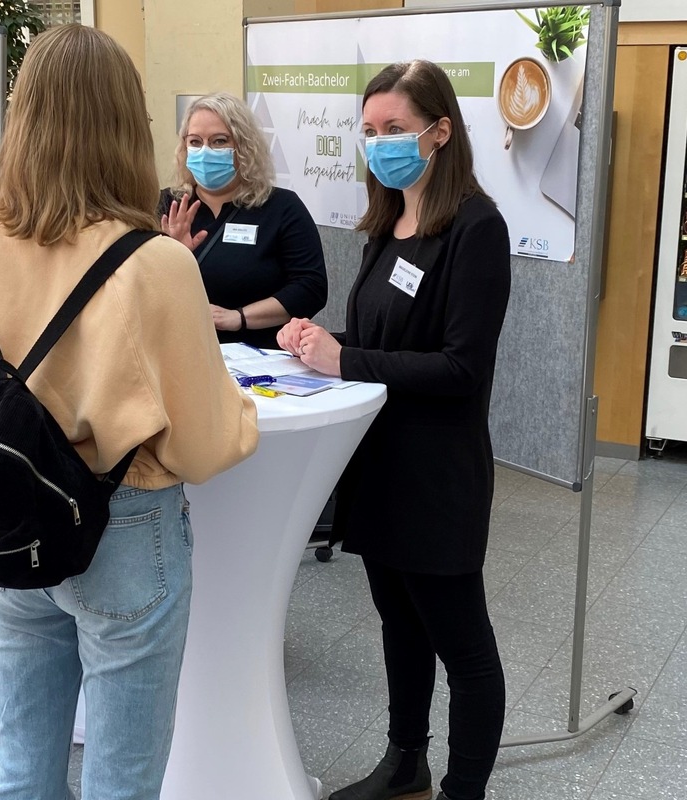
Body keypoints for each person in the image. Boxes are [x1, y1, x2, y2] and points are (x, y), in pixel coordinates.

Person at [0, 25, 258, 800]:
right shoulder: (156, 263)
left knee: (22, 771)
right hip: (128, 527)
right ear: (124, 128)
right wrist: (240, 410)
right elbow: (206, 446)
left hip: (11, 520)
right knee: (122, 782)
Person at [278, 60, 511, 800]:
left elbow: (460, 368)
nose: (380, 144)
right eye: (371, 131)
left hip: (437, 476)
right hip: (378, 468)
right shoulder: (388, 221)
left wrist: (347, 357)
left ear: (441, 132)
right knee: (399, 625)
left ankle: (461, 791)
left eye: (397, 130)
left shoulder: (476, 227)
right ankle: (404, 761)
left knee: (463, 645)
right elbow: (386, 337)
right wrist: (321, 341)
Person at [160, 92, 328, 350]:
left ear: (244, 146)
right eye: (195, 141)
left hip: (262, 362)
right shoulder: (167, 205)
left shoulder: (281, 207)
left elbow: (311, 288)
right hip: (182, 354)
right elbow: (139, 290)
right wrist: (174, 255)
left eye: (219, 141)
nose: (205, 151)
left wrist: (238, 317)